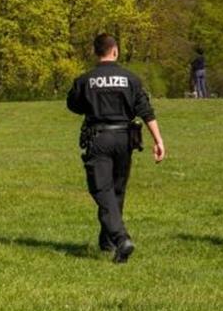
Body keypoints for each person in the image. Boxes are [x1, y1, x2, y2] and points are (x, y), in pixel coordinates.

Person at [67, 33, 166, 263]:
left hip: (99, 137)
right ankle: (107, 241)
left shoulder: (85, 79)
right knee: (117, 190)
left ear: (95, 52)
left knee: (102, 190)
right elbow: (145, 110)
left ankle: (121, 239)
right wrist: (158, 140)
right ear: (115, 51)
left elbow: (73, 105)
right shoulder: (131, 79)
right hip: (125, 138)